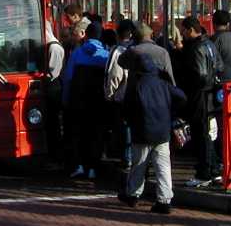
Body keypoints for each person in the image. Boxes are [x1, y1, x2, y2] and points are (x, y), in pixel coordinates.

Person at [118, 52, 187, 215]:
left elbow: (126, 109)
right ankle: (164, 200)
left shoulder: (136, 85)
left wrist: (129, 120)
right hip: (162, 130)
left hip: (142, 131)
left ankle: (133, 194)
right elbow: (181, 96)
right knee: (163, 166)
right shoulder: (162, 83)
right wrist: (172, 111)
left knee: (139, 164)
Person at [61, 21, 110, 179]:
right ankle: (93, 168)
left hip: (78, 101)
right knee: (96, 134)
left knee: (79, 133)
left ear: (86, 35)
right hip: (98, 102)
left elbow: (68, 78)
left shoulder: (77, 53)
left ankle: (80, 165)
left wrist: (65, 99)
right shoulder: (106, 55)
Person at [178, 17, 223, 187]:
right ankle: (213, 169)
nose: (182, 34)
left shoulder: (196, 48)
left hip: (200, 98)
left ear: (190, 30)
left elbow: (200, 75)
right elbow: (220, 66)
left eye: (183, 30)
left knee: (201, 134)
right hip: (211, 97)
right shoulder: (209, 44)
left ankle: (204, 172)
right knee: (208, 134)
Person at [104, 19, 136, 168]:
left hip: (122, 96)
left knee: (125, 127)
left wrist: (109, 95)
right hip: (139, 94)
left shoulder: (117, 51)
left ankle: (127, 159)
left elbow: (114, 75)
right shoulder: (139, 48)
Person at [44, 20, 65, 161]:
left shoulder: (55, 48)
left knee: (53, 122)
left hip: (53, 88)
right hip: (51, 86)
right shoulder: (49, 46)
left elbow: (53, 72)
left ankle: (55, 153)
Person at [211, 10, 231, 83]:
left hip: (221, 82)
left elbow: (212, 63)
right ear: (228, 24)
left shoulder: (214, 39)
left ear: (213, 23)